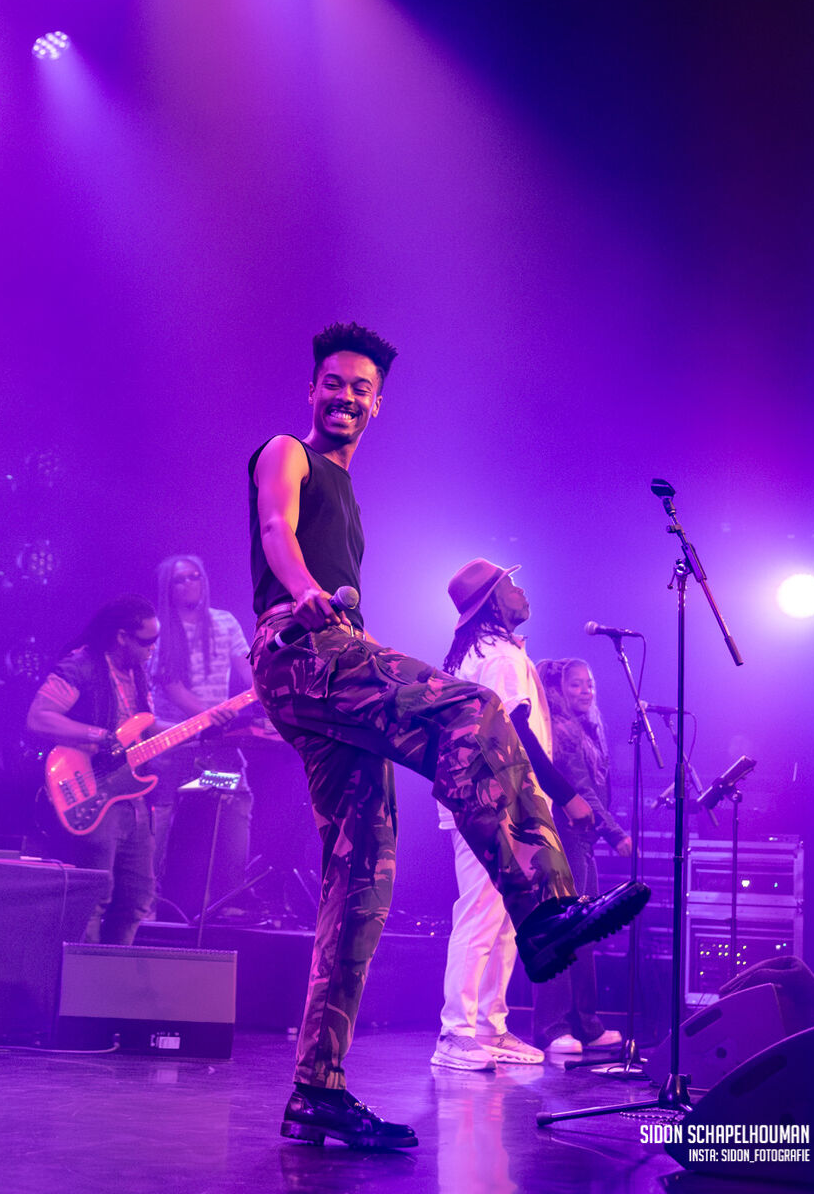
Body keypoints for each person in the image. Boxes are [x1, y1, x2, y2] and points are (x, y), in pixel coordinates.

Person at [247, 321, 649, 1151]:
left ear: (378, 405)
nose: (344, 396)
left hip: (328, 666)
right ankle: (544, 908)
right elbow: (276, 531)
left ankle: (316, 1089)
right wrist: (305, 590)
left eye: (360, 388)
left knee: (362, 879)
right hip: (299, 648)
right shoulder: (286, 452)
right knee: (474, 709)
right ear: (311, 389)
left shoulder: (348, 492)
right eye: (332, 382)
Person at [432, 558, 594, 1072]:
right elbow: (517, 731)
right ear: (491, 601)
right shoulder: (499, 656)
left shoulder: (487, 651)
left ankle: (488, 1025)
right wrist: (564, 794)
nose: (522, 591)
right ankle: (456, 1031)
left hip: (494, 796)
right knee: (482, 913)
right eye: (511, 585)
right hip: (495, 799)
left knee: (503, 917)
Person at [26, 595, 160, 945]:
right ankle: (82, 974)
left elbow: (146, 727)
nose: (152, 649)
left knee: (135, 900)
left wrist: (202, 725)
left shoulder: (137, 672)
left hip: (132, 799)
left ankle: (114, 973)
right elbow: (39, 717)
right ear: (122, 637)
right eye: (147, 641)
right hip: (94, 793)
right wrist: (99, 736)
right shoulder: (82, 664)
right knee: (93, 898)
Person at [533, 658, 633, 1055]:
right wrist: (616, 833)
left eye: (589, 683)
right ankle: (553, 1028)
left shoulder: (584, 729)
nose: (586, 690)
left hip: (583, 840)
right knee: (563, 932)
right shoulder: (562, 731)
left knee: (584, 933)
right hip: (567, 837)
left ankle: (586, 1025)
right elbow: (580, 790)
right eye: (575, 684)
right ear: (557, 689)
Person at [151, 555, 253, 885]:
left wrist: (267, 688)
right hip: (172, 747)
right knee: (163, 811)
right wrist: (209, 715)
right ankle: (146, 897)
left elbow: (247, 668)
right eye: (180, 579)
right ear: (168, 588)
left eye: (195, 576)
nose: (189, 583)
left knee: (234, 801)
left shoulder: (225, 622)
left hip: (214, 749)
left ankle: (230, 895)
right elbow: (172, 687)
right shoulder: (159, 629)